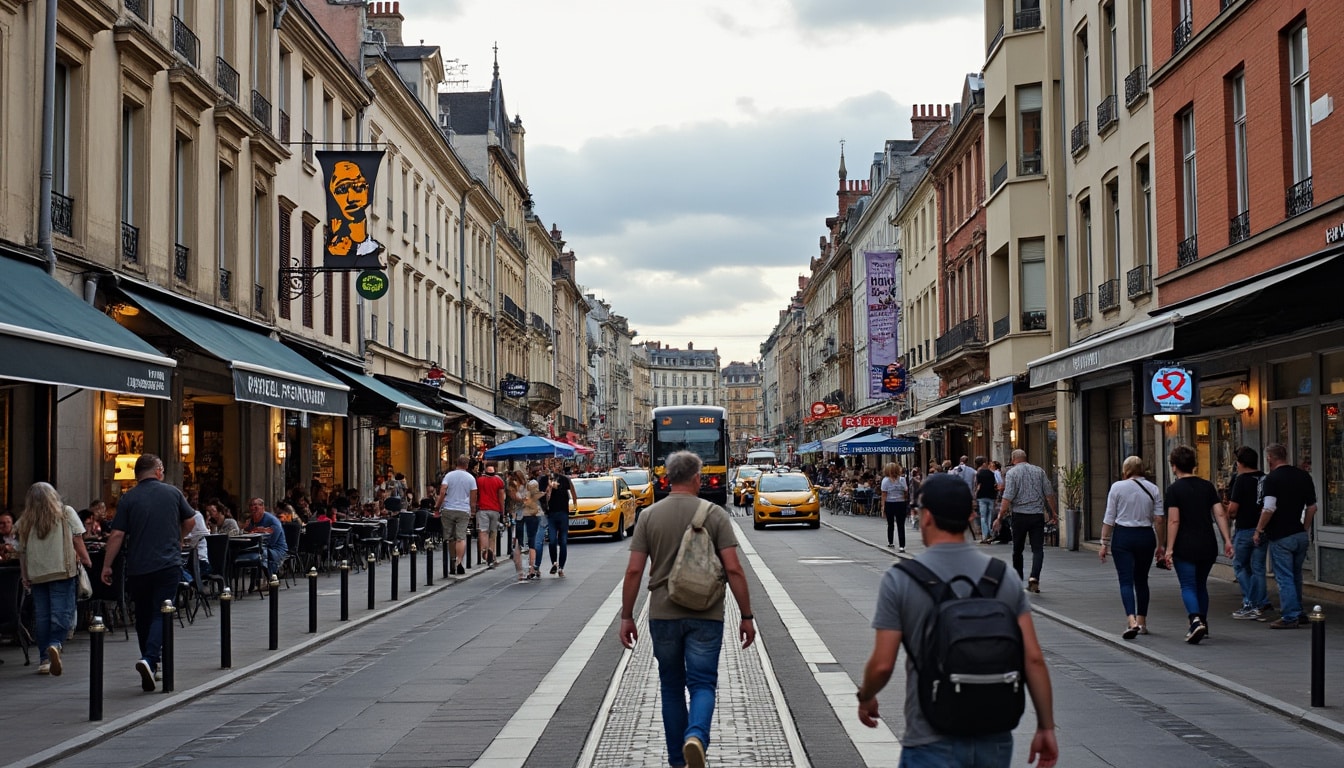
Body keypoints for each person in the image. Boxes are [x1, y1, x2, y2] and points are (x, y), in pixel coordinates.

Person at [857, 473, 1058, 768]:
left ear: (926, 517)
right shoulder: (1004, 577)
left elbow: (883, 663)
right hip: (994, 736)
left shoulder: (900, 579)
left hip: (930, 736)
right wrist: (1046, 726)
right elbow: (1034, 660)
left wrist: (866, 695)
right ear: (971, 515)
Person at [619, 451, 755, 768]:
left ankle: (676, 762)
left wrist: (627, 615)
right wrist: (746, 616)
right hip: (706, 613)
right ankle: (696, 737)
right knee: (703, 683)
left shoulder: (648, 516)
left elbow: (634, 572)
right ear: (697, 478)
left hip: (663, 614)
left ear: (666, 478)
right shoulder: (716, 515)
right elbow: (734, 569)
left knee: (670, 686)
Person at [101, 454, 196, 691]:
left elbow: (117, 535)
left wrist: (107, 565)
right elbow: (191, 521)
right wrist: (179, 539)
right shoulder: (172, 493)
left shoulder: (128, 498)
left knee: (142, 616)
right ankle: (151, 660)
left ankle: (150, 661)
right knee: (160, 612)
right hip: (167, 564)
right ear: (158, 470)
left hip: (138, 567)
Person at [15, 482, 92, 676]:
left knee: (42, 616)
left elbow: (22, 552)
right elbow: (78, 539)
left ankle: (44, 660)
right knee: (63, 612)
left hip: (37, 574)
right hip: (62, 570)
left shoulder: (25, 520)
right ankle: (55, 644)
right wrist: (86, 559)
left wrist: (25, 576)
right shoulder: (66, 513)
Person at [1162, 445, 1233, 644]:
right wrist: (1227, 540)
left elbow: (1173, 520)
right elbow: (1219, 513)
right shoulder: (1207, 486)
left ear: (1174, 466)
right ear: (1194, 465)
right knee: (1201, 584)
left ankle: (1194, 621)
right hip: (1207, 543)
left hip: (1185, 545)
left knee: (1188, 585)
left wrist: (1169, 549)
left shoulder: (1174, 490)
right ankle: (1203, 622)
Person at [1097, 456, 1164, 639]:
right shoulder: (1153, 488)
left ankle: (1131, 620)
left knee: (1126, 580)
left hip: (1123, 536)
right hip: (1145, 536)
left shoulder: (1117, 487)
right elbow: (1159, 519)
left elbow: (1109, 517)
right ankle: (1142, 622)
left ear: (1125, 470)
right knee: (1142, 580)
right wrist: (1161, 545)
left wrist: (1104, 543)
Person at [1254, 442, 1318, 630]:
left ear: (1270, 458)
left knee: (1284, 577)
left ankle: (1290, 615)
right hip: (1299, 533)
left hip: (1281, 536)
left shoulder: (1272, 479)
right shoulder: (1303, 475)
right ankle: (1299, 611)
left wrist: (1258, 530)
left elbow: (1269, 508)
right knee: (1296, 575)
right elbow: (1312, 507)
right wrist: (1304, 528)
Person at [997, 449, 1056, 593]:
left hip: (1019, 516)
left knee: (1018, 550)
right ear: (1025, 458)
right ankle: (1034, 577)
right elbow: (1049, 494)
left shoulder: (1012, 473)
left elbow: (1008, 496)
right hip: (1037, 515)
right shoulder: (1039, 471)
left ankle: (1018, 579)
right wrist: (1053, 512)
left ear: (1013, 459)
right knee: (1038, 549)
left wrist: (1000, 516)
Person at [1225, 447, 1270, 621]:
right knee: (1258, 568)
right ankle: (1260, 602)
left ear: (1240, 463)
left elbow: (1233, 509)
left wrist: (1228, 512)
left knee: (1240, 565)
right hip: (1262, 527)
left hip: (1245, 529)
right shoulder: (1265, 478)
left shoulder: (1241, 480)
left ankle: (1250, 603)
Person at [436, 455, 477, 576]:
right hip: (463, 510)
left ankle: (453, 560)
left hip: (448, 508)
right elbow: (473, 497)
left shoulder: (449, 475)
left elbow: (443, 491)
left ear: (456, 464)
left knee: (450, 538)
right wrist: (473, 511)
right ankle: (459, 561)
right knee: (461, 537)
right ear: (467, 465)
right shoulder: (470, 478)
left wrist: (437, 507)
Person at [539, 458, 577, 577]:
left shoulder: (564, 479)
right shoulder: (544, 480)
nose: (556, 467)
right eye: (553, 465)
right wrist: (549, 488)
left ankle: (561, 567)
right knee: (552, 540)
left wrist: (575, 505)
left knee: (563, 541)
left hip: (563, 513)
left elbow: (573, 491)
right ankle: (554, 563)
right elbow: (542, 496)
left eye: (558, 465)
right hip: (551, 514)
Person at [243, 498, 287, 578]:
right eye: (251, 506)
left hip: (276, 549)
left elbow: (271, 542)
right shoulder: (251, 521)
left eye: (256, 507)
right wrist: (244, 528)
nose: (253, 508)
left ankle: (268, 578)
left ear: (262, 507)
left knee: (262, 551)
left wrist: (258, 532)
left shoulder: (272, 521)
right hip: (258, 547)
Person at [476, 462, 506, 569]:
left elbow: (476, 494)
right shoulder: (499, 481)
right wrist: (502, 511)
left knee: (483, 531)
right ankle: (492, 553)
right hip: (495, 509)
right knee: (493, 533)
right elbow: (501, 497)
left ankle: (484, 552)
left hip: (483, 509)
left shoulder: (479, 480)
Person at [880, 463, 909, 551]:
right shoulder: (902, 479)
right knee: (901, 525)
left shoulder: (885, 480)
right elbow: (905, 491)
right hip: (900, 503)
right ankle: (902, 545)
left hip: (890, 503)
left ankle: (891, 542)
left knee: (890, 524)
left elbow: (884, 494)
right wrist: (903, 499)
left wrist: (883, 507)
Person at [973, 457, 998, 545]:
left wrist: (975, 495)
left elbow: (977, 485)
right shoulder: (992, 473)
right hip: (991, 496)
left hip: (982, 496)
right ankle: (990, 533)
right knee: (990, 515)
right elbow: (995, 485)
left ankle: (985, 535)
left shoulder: (978, 474)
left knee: (983, 516)